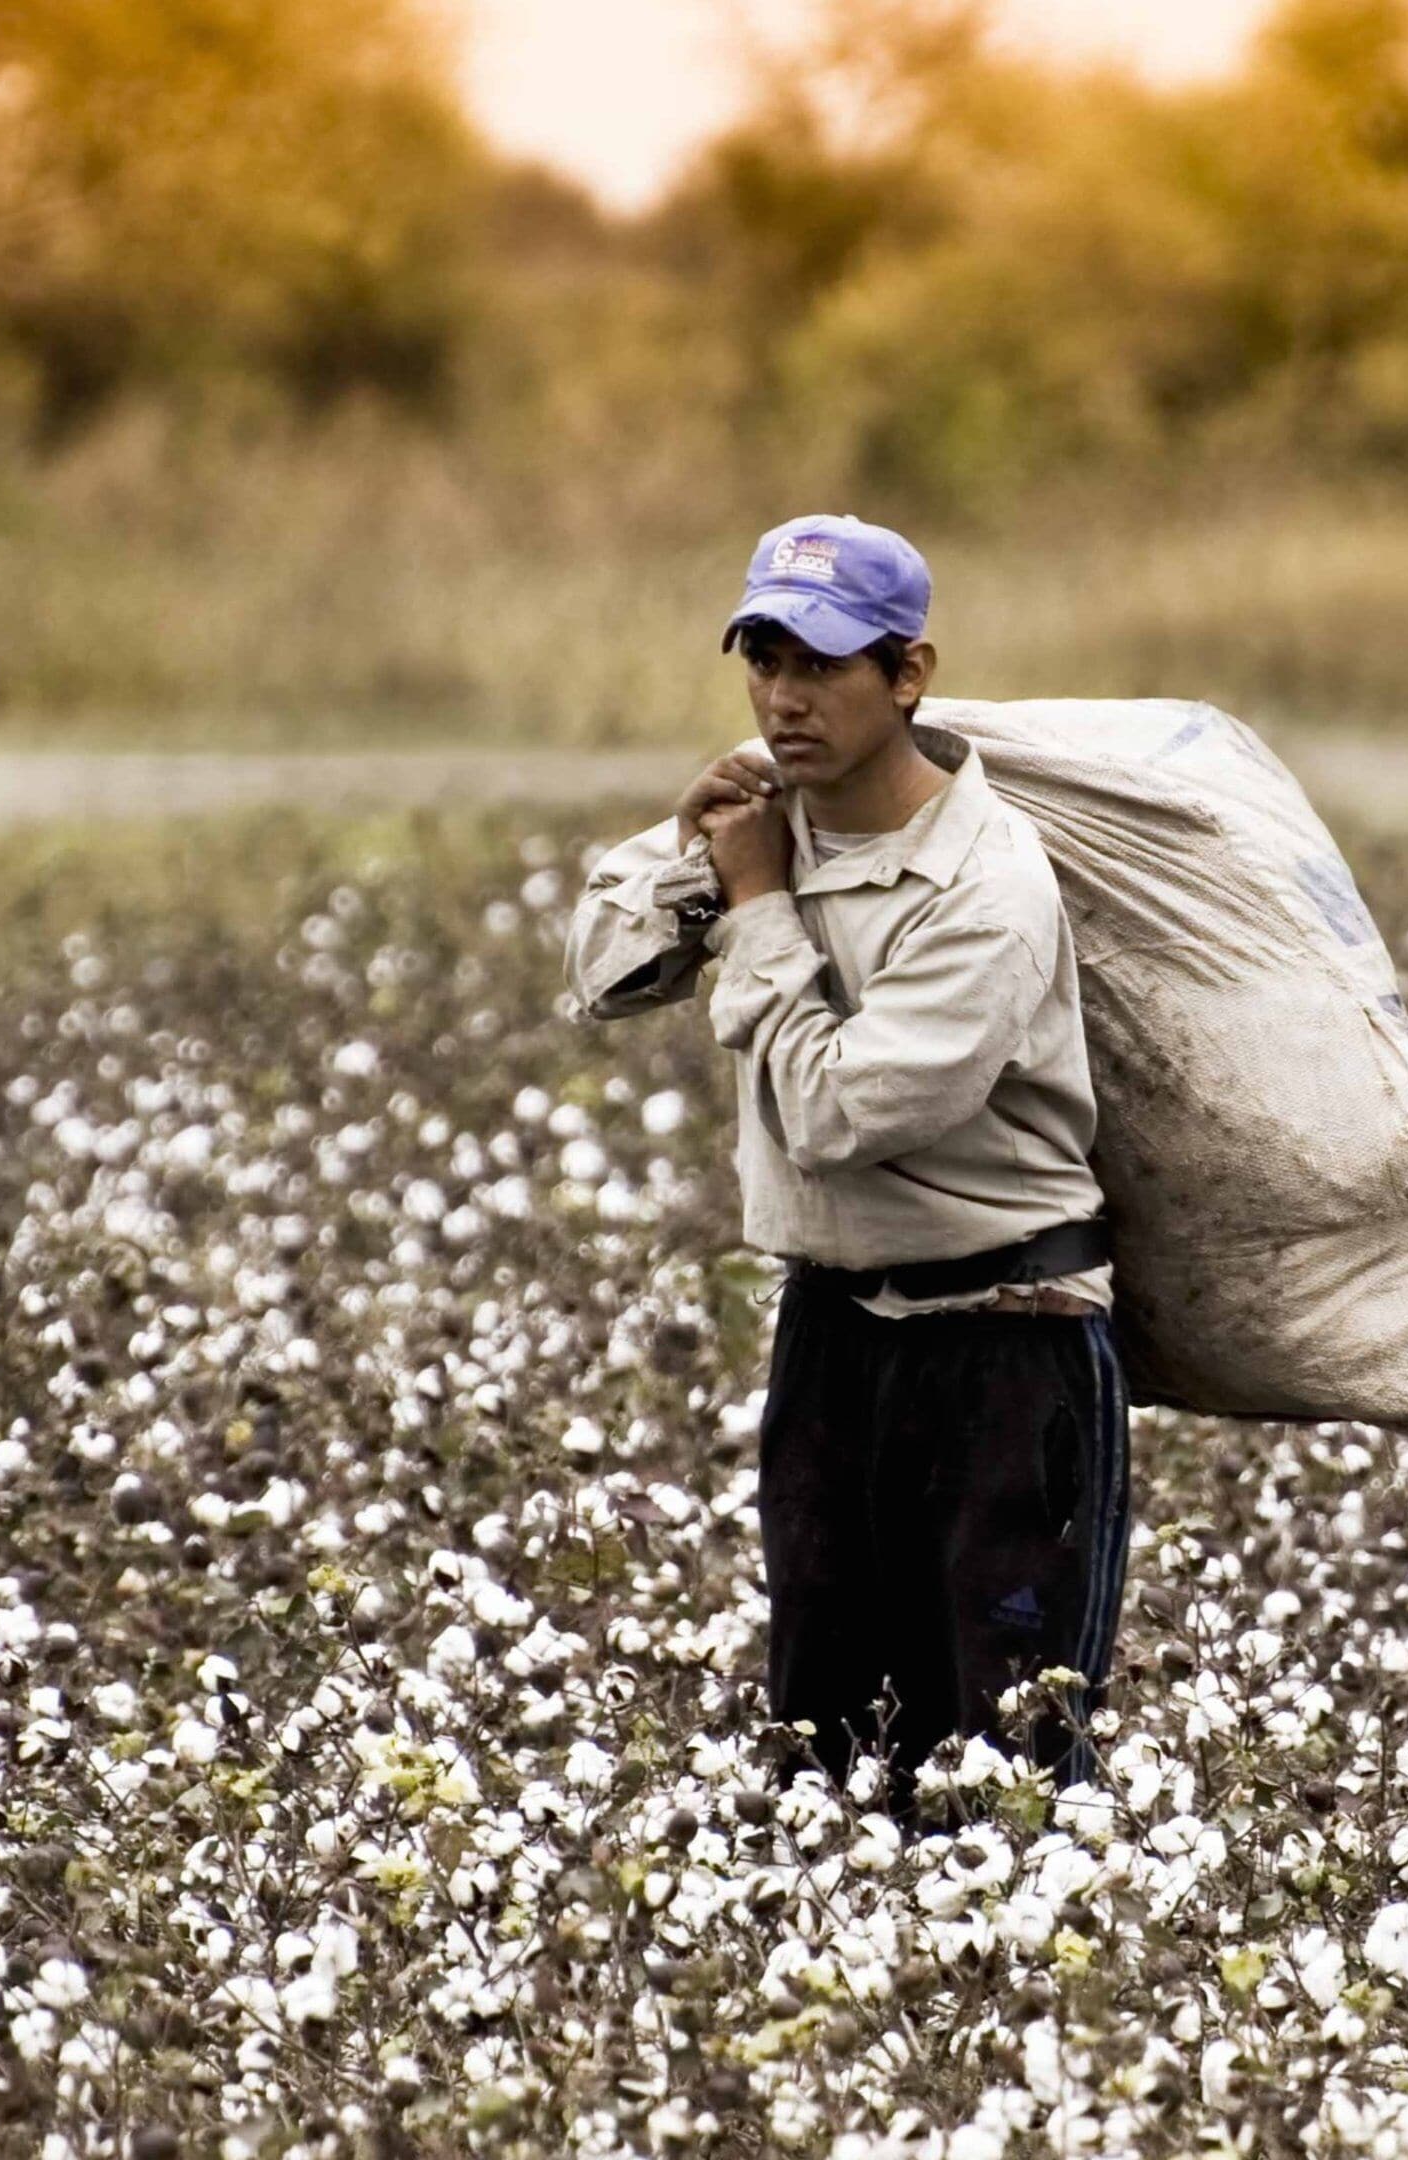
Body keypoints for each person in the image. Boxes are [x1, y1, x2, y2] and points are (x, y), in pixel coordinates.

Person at [566, 513, 1130, 1801]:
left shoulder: (985, 883)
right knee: (821, 1740)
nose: (782, 696)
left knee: (1007, 1762)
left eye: (819, 664)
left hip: (1009, 1344)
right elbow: (601, 980)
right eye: (762, 657)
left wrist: (756, 901)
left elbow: (838, 1113)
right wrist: (685, 854)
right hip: (835, 1338)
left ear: (908, 674)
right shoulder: (766, 811)